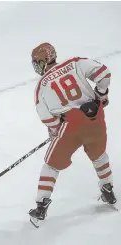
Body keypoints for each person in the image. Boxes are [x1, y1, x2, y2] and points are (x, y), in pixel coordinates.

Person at [29, 43, 116, 227]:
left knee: (51, 166)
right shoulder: (75, 63)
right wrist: (101, 94)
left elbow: (46, 117)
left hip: (70, 127)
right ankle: (108, 188)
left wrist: (54, 130)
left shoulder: (41, 86)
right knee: (99, 155)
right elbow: (104, 73)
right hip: (95, 121)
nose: (36, 66)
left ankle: (41, 205)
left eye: (37, 62)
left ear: (45, 61)